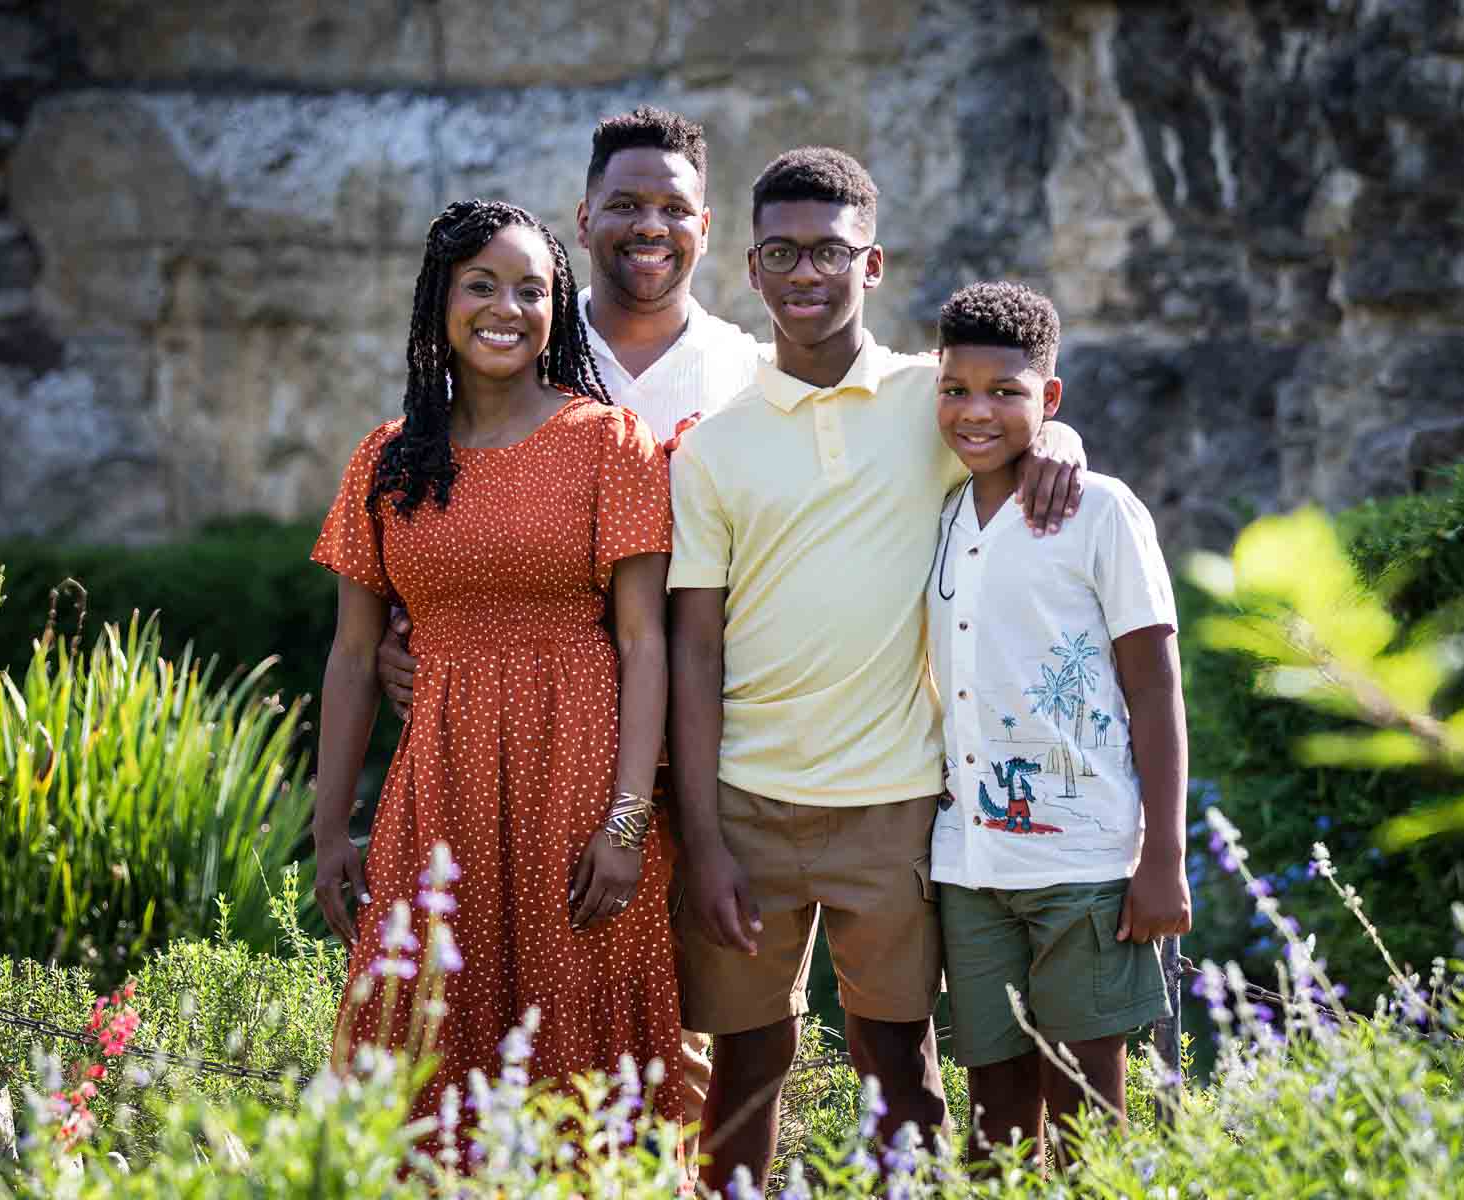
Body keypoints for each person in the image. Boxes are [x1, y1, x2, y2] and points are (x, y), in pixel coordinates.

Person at [664, 148, 1086, 1193]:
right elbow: (696, 646)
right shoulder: (715, 449)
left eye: (829, 251)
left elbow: (1016, 417)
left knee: (898, 1058)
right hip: (749, 806)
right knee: (746, 1066)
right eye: (781, 253)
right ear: (751, 270)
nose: (806, 273)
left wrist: (1063, 435)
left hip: (896, 803)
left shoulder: (925, 401)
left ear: (873, 262)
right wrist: (705, 839)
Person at [309, 198, 684, 1159]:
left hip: (582, 783)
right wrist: (329, 830)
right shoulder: (385, 462)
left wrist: (628, 821)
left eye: (534, 289)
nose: (507, 308)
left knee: (587, 1059)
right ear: (440, 299)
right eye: (482, 285)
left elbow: (644, 644)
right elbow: (353, 657)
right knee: (425, 1028)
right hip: (438, 794)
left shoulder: (609, 442)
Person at [926, 281, 1190, 1167]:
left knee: (1086, 1111)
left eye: (1006, 392)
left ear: (1050, 398)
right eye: (956, 389)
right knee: (996, 1120)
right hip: (970, 859)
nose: (976, 411)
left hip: (1084, 863)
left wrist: (1163, 859)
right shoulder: (945, 513)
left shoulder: (1100, 510)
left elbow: (1155, 690)